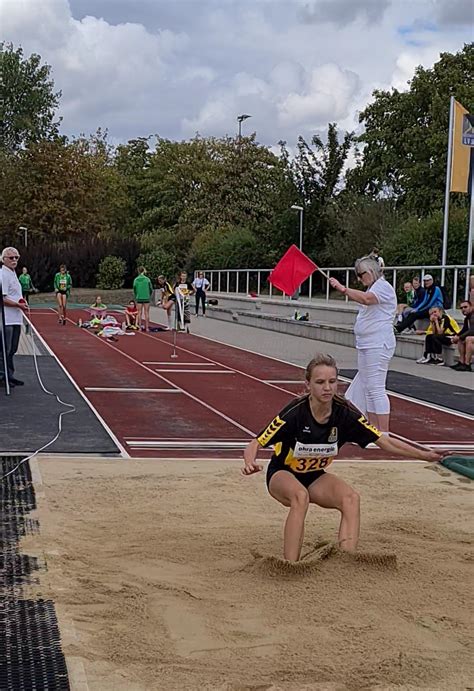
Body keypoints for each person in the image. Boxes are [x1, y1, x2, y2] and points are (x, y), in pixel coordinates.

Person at [242, 354, 441, 562]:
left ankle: (345, 564)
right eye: (320, 382)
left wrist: (425, 455)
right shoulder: (295, 413)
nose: (327, 388)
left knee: (351, 499)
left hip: (315, 476)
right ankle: (290, 565)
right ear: (308, 384)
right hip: (282, 473)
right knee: (300, 497)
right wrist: (250, 463)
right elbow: (255, 443)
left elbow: (384, 441)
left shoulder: (344, 413)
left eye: (332, 381)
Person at [329, 255, 396, 433]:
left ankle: (384, 431)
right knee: (368, 387)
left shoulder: (382, 288)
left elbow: (366, 299)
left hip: (378, 342)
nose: (359, 278)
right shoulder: (374, 287)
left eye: (361, 274)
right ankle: (374, 429)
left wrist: (342, 289)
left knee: (376, 387)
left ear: (371, 271)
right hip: (367, 343)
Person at [0, 247, 28, 387]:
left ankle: (9, 375)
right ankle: (2, 376)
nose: (14, 260)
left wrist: (21, 301)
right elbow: (2, 298)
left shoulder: (13, 274)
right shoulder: (3, 275)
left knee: (12, 349)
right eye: (11, 258)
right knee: (4, 349)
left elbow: (15, 295)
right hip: (6, 319)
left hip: (15, 317)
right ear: (3, 259)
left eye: (16, 257)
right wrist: (18, 305)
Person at [450, 300, 474, 372]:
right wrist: (456, 336)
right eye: (461, 308)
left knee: (468, 339)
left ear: (471, 307)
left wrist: (459, 337)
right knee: (461, 339)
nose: (463, 309)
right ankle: (461, 362)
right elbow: (464, 329)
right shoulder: (467, 318)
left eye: (465, 307)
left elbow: (472, 330)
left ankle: (467, 364)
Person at [133, 267, 153, 332]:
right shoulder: (147, 279)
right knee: (146, 312)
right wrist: (148, 294)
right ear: (143, 271)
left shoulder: (136, 279)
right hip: (146, 297)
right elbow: (151, 288)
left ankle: (140, 328)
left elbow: (134, 288)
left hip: (139, 297)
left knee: (139, 313)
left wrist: (137, 295)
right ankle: (147, 328)